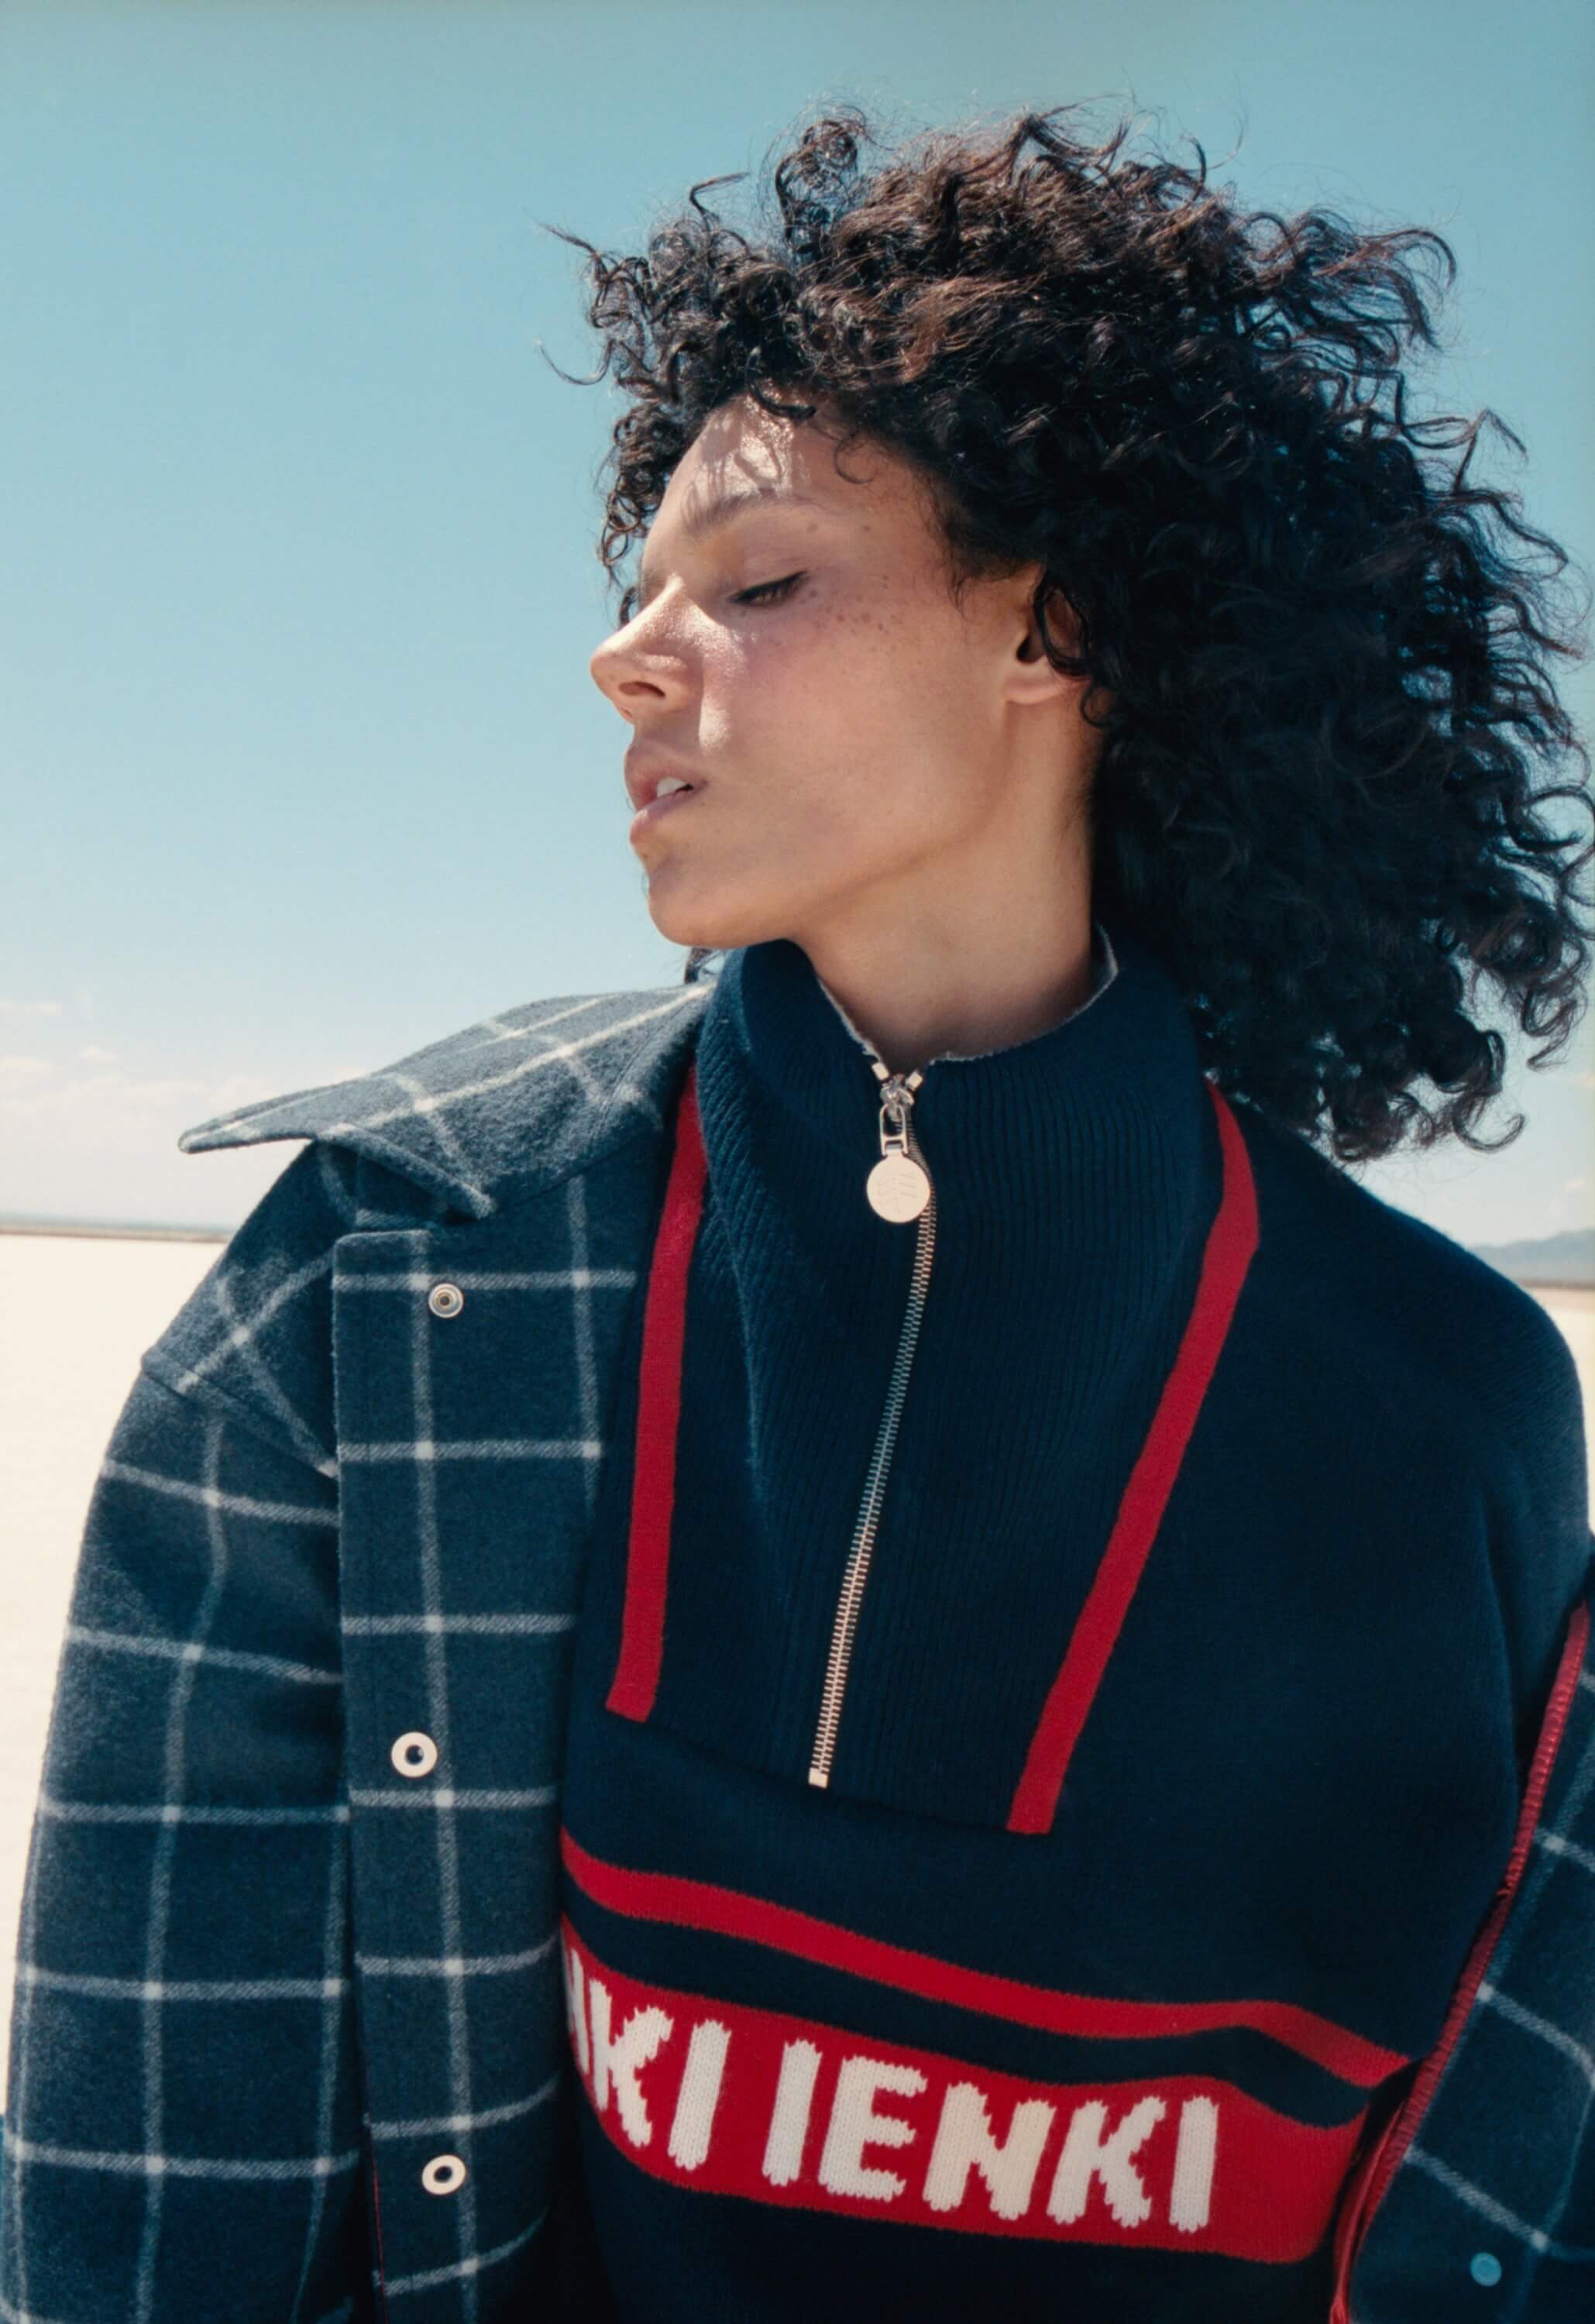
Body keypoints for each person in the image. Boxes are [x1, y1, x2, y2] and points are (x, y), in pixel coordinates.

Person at [3, 99, 1592, 2324]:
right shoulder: (380, 1275)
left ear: (1053, 628)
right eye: (636, 593)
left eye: (756, 584)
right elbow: (154, 2206)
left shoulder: (1448, 1406)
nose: (627, 657)